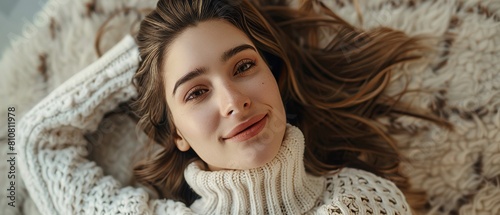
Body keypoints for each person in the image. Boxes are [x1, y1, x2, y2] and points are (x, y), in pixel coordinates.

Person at [19, 0, 443, 214]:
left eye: (243, 66)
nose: (233, 100)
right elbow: (38, 139)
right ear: (178, 133)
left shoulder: (361, 199)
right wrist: (147, 57)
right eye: (195, 92)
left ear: (274, 77)